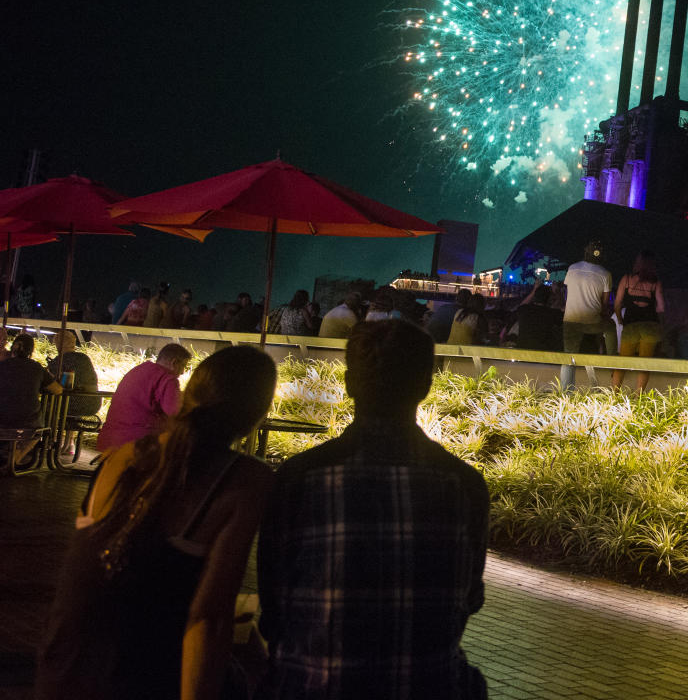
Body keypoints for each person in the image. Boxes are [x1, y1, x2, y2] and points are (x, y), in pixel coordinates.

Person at [257, 319, 489, 699]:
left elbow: (274, 607)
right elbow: (468, 601)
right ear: (426, 387)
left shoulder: (299, 478)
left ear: (349, 385)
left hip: (311, 686)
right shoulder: (465, 485)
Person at [38, 346, 277, 700]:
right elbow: (208, 618)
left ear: (190, 391)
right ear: (256, 413)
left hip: (63, 668)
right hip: (139, 675)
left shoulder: (120, 458)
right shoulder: (245, 480)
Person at [96, 344, 191, 453]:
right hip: (138, 446)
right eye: (183, 366)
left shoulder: (138, 370)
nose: (183, 372)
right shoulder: (167, 379)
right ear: (174, 363)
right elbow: (175, 412)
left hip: (107, 441)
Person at [0, 333, 61, 465]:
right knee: (37, 429)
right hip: (28, 424)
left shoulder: (3, 366)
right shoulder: (36, 367)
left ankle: (10, 457)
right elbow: (58, 390)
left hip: (2, 420)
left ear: (12, 349)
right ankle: (16, 459)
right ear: (31, 351)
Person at [611, 251, 666, 392]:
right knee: (644, 364)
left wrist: (621, 320)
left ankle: (614, 396)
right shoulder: (656, 283)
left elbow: (617, 304)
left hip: (631, 325)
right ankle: (638, 398)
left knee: (622, 362)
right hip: (650, 326)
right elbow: (661, 308)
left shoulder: (627, 279)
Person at [45, 330, 102, 454]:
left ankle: (52, 440)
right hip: (91, 403)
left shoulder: (59, 361)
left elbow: (50, 382)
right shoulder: (84, 358)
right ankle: (69, 442)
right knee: (67, 403)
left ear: (58, 344)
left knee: (50, 406)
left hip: (72, 403)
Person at [562, 240, 617, 355]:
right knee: (610, 326)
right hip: (592, 323)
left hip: (570, 320)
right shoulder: (606, 274)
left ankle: (567, 370)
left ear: (586, 252)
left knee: (569, 357)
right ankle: (612, 359)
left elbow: (567, 292)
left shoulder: (572, 268)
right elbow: (605, 304)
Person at [514, 284, 563, 351]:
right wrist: (558, 293)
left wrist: (534, 290)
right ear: (549, 299)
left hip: (522, 352)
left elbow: (522, 305)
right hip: (541, 353)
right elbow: (564, 310)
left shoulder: (524, 310)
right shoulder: (551, 313)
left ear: (534, 297)